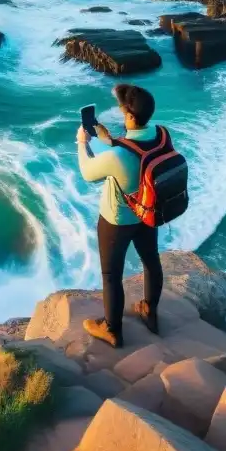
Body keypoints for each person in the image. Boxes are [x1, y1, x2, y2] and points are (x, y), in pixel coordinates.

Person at [76, 83, 164, 348]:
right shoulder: (160, 134)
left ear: (130, 116)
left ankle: (112, 329)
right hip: (148, 212)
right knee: (151, 261)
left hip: (118, 220)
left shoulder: (118, 156)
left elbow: (88, 173)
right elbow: (137, 152)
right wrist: (110, 139)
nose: (120, 110)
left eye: (123, 109)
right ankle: (149, 310)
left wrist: (82, 144)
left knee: (112, 275)